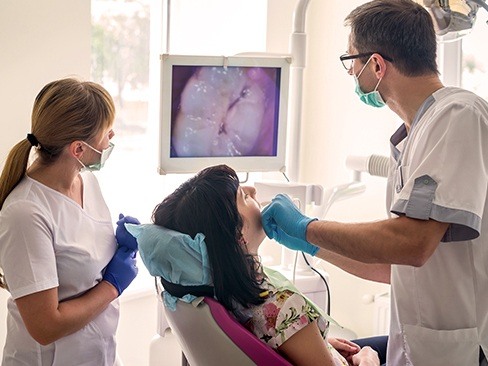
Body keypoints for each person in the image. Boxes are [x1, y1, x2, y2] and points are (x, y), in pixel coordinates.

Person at [261, 0, 488, 365]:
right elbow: (396, 266)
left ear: (377, 65)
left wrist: (309, 227)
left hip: (460, 350)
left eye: (351, 61)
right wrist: (312, 243)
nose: (352, 73)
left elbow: (412, 244)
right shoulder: (413, 137)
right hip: (419, 346)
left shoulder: (458, 115)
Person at [133, 164, 379, 366]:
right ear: (238, 236)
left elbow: (276, 343)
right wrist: (368, 359)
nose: (252, 188)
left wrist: (318, 344)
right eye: (244, 196)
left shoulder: (215, 294)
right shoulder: (281, 306)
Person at [0, 78, 139, 366]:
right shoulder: (25, 213)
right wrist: (114, 284)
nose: (111, 137)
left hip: (99, 354)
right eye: (105, 132)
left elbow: (82, 260)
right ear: (78, 149)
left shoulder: (87, 181)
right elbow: (45, 327)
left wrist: (120, 248)